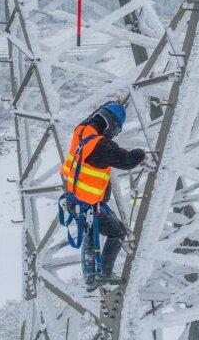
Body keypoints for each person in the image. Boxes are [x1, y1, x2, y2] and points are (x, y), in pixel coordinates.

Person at [59, 101, 147, 290]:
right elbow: (127, 160)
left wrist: (111, 107)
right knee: (118, 232)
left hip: (72, 199)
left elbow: (93, 122)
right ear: (112, 126)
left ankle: (90, 278)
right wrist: (142, 154)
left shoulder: (81, 131)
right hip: (88, 205)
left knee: (91, 233)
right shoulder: (100, 146)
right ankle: (102, 274)